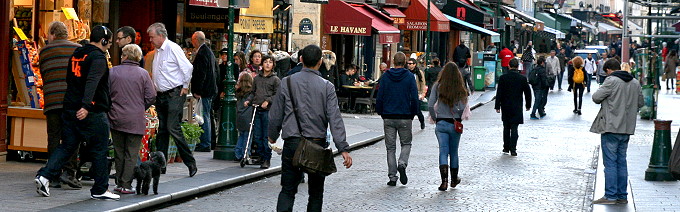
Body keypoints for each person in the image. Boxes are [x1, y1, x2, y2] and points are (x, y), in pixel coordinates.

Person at [35, 25, 120, 200]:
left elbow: (70, 80)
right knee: (99, 149)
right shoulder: (98, 57)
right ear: (103, 40)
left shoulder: (77, 54)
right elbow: (92, 82)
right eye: (109, 42)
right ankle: (100, 189)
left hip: (70, 108)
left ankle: (44, 176)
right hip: (91, 111)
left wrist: (75, 105)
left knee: (67, 145)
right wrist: (86, 106)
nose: (109, 46)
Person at [268, 44, 353, 212]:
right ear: (320, 62)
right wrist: (342, 147)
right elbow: (334, 119)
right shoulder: (327, 86)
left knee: (287, 190)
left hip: (292, 143)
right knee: (315, 193)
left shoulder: (287, 82)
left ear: (301, 60)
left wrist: (272, 135)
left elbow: (276, 114)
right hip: (316, 144)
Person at [147, 22, 197, 177]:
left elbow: (187, 67)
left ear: (161, 36)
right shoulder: (157, 51)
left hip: (174, 93)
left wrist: (185, 86)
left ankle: (190, 162)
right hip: (161, 94)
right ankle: (160, 165)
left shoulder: (172, 48)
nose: (150, 40)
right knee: (162, 130)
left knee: (172, 127)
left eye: (152, 37)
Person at [591, 59, 643, 205]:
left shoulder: (611, 81)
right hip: (627, 128)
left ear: (608, 70)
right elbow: (640, 103)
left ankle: (611, 195)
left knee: (611, 162)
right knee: (622, 161)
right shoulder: (635, 82)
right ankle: (622, 195)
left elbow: (596, 98)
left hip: (611, 126)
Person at [38, 21, 83, 189]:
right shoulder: (77, 49)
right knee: (72, 138)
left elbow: (43, 73)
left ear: (53, 34)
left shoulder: (45, 51)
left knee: (54, 138)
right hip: (71, 102)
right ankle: (70, 173)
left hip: (52, 101)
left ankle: (53, 174)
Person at [109, 44, 156, 194]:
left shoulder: (113, 72)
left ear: (124, 56)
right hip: (135, 119)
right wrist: (140, 106)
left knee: (119, 152)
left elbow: (105, 93)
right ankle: (126, 184)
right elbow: (151, 96)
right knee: (131, 153)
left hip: (116, 117)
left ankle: (118, 182)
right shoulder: (143, 74)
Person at [376, 52, 419, 186]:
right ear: (405, 62)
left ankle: (392, 177)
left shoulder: (385, 76)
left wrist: (381, 112)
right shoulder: (410, 77)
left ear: (393, 62)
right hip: (405, 116)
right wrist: (413, 113)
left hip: (388, 116)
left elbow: (380, 96)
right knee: (406, 144)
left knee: (390, 148)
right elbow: (414, 97)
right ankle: (402, 162)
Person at [428, 62, 469, 191]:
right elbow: (463, 107)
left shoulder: (437, 86)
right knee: (454, 152)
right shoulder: (460, 88)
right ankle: (454, 179)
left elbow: (430, 104)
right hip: (454, 124)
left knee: (443, 151)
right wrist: (458, 115)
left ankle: (444, 181)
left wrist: (435, 118)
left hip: (441, 123)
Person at [244, 55, 280, 169]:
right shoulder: (257, 79)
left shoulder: (275, 79)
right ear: (262, 64)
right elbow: (253, 92)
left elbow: (278, 95)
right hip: (257, 109)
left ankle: (266, 158)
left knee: (266, 136)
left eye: (270, 62)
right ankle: (260, 155)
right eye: (266, 62)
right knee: (257, 135)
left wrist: (268, 101)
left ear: (273, 65)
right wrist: (249, 100)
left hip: (268, 111)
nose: (268, 64)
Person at [494, 58, 531, 156]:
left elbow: (499, 93)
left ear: (509, 66)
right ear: (518, 66)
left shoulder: (503, 78)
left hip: (505, 106)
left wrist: (497, 105)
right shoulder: (522, 79)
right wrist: (528, 105)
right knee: (515, 128)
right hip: (517, 106)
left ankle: (506, 147)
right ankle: (513, 149)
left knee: (506, 127)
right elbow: (528, 93)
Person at [191, 31, 218, 152]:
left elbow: (201, 74)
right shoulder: (209, 52)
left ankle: (205, 143)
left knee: (204, 116)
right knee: (207, 115)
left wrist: (198, 90)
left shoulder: (202, 53)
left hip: (205, 90)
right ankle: (210, 141)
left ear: (196, 40)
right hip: (210, 89)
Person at [234, 74, 254, 161]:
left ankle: (237, 153)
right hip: (248, 116)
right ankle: (245, 154)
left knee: (241, 135)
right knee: (248, 136)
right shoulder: (251, 93)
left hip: (239, 116)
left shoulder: (238, 92)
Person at [407, 58, 426, 130]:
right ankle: (408, 124)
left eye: (410, 64)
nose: (408, 65)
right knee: (410, 109)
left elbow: (423, 84)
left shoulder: (419, 72)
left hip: (417, 94)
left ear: (414, 64)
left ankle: (422, 121)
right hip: (408, 94)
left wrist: (422, 94)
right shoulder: (406, 72)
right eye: (408, 63)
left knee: (417, 110)